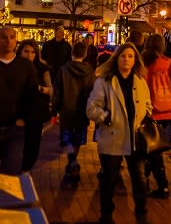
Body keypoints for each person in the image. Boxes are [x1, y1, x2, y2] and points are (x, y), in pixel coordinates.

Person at [87, 43, 152, 224]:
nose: (127, 59)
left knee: (139, 178)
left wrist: (144, 116)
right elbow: (92, 108)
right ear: (116, 58)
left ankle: (141, 213)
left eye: (131, 56)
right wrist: (106, 118)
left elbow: (147, 103)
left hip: (134, 137)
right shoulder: (105, 81)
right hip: (112, 136)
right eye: (123, 56)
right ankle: (106, 215)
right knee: (109, 179)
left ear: (135, 60)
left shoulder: (140, 81)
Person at [141, 34, 171, 199]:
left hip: (152, 111)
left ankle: (161, 185)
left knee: (151, 150)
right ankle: (150, 179)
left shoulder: (145, 63)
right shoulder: (168, 63)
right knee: (155, 149)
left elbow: (142, 87)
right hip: (169, 111)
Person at [52, 41, 95, 184]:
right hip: (82, 111)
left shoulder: (63, 70)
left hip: (66, 110)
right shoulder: (89, 71)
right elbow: (93, 92)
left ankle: (72, 160)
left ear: (72, 53)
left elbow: (57, 92)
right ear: (85, 54)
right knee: (77, 139)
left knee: (68, 138)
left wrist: (55, 110)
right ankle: (73, 161)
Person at [0, 26, 38, 175]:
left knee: (12, 172)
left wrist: (23, 118)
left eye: (12, 37)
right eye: (4, 37)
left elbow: (31, 96)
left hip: (14, 130)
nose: (8, 41)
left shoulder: (26, 67)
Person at [16, 39, 52, 172]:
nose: (29, 55)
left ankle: (25, 170)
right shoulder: (14, 66)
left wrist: (38, 88)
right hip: (16, 114)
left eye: (32, 52)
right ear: (20, 52)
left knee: (32, 147)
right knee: (16, 148)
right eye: (26, 51)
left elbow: (50, 90)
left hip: (35, 114)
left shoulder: (42, 69)